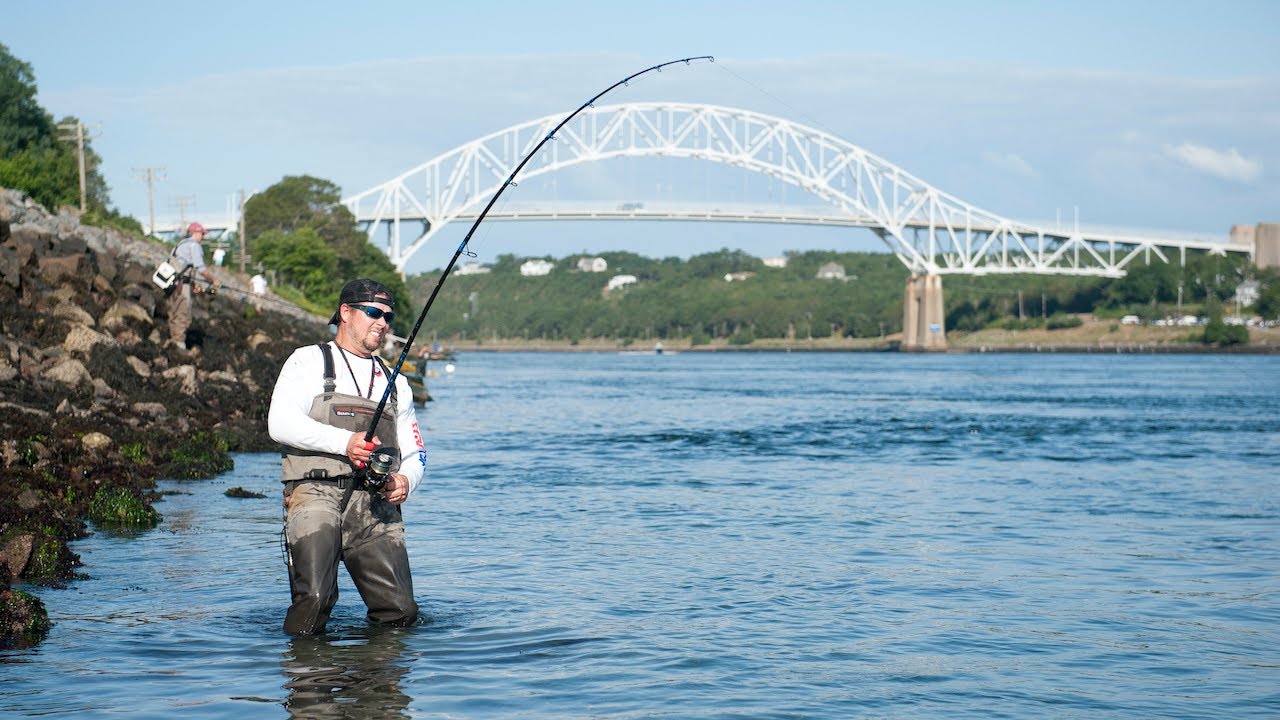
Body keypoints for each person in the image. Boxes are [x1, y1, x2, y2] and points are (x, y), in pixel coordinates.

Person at [268, 279, 427, 635]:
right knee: (316, 600)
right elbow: (278, 424)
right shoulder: (308, 361)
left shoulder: (396, 382)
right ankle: (308, 680)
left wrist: (406, 480)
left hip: (374, 504)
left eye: (388, 316)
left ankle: (377, 684)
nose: (382, 323)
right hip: (314, 493)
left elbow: (417, 451)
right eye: (373, 313)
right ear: (346, 312)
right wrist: (345, 443)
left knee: (400, 611)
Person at [164, 222, 220, 351]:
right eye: (202, 234)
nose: (203, 237)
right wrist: (214, 280)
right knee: (183, 312)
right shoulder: (194, 245)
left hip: (172, 284)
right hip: (181, 285)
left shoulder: (179, 244)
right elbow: (200, 268)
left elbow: (182, 266)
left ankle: (174, 338)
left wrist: (194, 283)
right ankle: (179, 343)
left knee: (174, 311)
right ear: (195, 233)